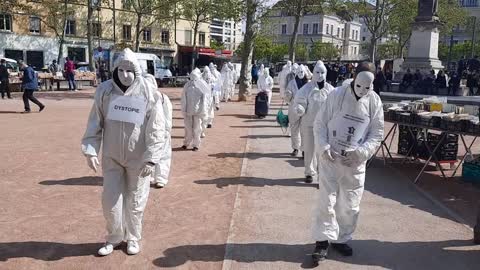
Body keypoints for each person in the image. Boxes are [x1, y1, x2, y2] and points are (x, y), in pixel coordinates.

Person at [81, 48, 167, 256]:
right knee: (110, 200)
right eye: (121, 70)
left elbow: (156, 127)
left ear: (137, 71)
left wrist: (152, 158)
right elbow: (95, 122)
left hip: (138, 157)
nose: (125, 75)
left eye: (130, 70)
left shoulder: (147, 92)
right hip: (112, 157)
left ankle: (133, 237)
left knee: (136, 199)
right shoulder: (105, 91)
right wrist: (91, 149)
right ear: (115, 70)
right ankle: (114, 237)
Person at [311, 62, 384, 262]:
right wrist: (324, 147)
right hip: (331, 158)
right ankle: (322, 241)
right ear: (353, 78)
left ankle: (341, 239)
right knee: (327, 200)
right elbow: (320, 124)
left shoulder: (374, 102)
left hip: (354, 163)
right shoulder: (336, 95)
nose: (362, 91)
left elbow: (376, 134)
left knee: (350, 204)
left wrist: (361, 153)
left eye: (367, 88)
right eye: (360, 86)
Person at [294, 60, 334, 183]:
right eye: (317, 72)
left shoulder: (331, 90)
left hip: (325, 127)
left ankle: (322, 175)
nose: (320, 75)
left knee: (322, 152)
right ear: (313, 73)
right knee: (309, 150)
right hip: (309, 124)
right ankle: (309, 172)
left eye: (322, 72)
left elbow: (336, 105)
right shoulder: (306, 89)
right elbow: (300, 101)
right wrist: (300, 108)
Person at [181, 68, 210, 151]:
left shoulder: (202, 85)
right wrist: (184, 110)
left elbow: (205, 99)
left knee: (197, 129)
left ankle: (196, 145)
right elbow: (183, 98)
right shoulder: (187, 85)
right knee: (187, 128)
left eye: (195, 76)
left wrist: (203, 111)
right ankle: (186, 143)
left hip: (198, 111)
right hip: (188, 111)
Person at [285, 64, 309, 157]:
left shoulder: (309, 84)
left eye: (302, 72)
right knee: (294, 129)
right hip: (294, 109)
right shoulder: (291, 83)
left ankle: (304, 149)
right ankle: (295, 148)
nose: (300, 74)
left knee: (304, 131)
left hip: (306, 110)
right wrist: (288, 94)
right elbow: (287, 97)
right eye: (299, 72)